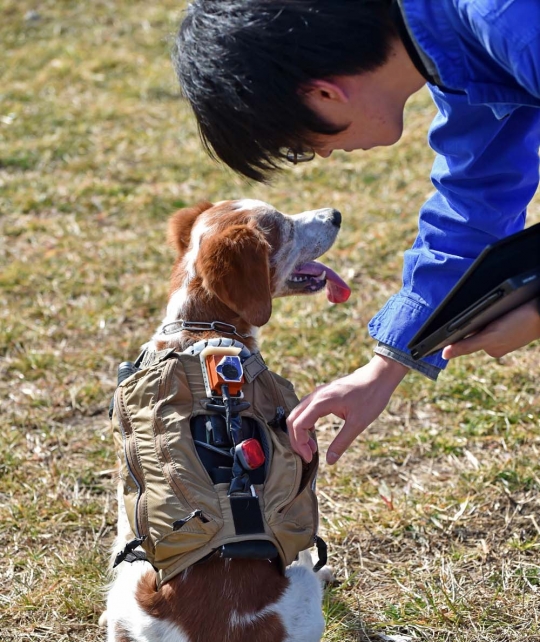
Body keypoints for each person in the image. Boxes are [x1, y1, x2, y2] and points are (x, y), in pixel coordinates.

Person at [173, 0, 540, 465]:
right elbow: (476, 203)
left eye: (302, 147)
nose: (324, 156)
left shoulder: (511, 20)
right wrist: (385, 367)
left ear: (323, 95)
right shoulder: (461, 50)